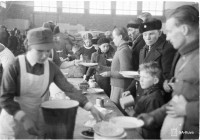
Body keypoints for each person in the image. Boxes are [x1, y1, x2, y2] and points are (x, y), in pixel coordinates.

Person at [0, 27, 103, 139]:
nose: (45, 55)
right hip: (13, 123)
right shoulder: (15, 66)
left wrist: (90, 107)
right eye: (40, 51)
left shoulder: (50, 67)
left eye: (48, 50)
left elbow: (69, 89)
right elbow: (5, 98)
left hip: (35, 122)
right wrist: (23, 118)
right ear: (29, 47)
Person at [138, 5, 199, 139]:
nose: (167, 37)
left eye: (170, 31)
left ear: (184, 29)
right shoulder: (183, 56)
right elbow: (178, 101)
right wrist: (153, 117)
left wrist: (188, 109)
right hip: (177, 131)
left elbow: (184, 106)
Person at [124, 18, 176, 102]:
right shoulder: (143, 50)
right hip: (142, 93)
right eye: (145, 34)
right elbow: (140, 72)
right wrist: (130, 89)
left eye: (151, 34)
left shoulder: (167, 49)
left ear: (159, 33)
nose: (147, 38)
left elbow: (167, 77)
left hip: (155, 97)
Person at [122, 62, 165, 139]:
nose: (140, 80)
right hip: (142, 131)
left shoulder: (154, 98)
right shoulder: (148, 92)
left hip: (147, 136)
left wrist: (133, 114)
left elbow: (152, 123)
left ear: (155, 80)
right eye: (140, 76)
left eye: (145, 77)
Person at [100, 27, 133, 108]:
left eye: (114, 37)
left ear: (120, 37)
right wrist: (102, 68)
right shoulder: (121, 49)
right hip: (117, 85)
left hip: (121, 87)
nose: (113, 40)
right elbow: (117, 68)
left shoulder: (123, 51)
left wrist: (109, 73)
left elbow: (125, 72)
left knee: (117, 110)